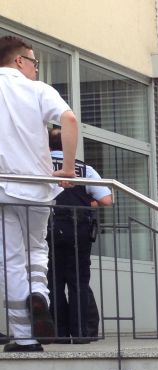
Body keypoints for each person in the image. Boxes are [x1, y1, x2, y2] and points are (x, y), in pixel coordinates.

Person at [0, 35, 78, 353]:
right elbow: (69, 119)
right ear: (20, 60)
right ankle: (40, 296)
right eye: (35, 62)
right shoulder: (39, 91)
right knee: (36, 250)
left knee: (11, 259)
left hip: (3, 188)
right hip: (39, 188)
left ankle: (24, 336)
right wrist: (68, 168)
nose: (36, 69)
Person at [47, 126, 112, 343]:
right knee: (78, 283)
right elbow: (106, 200)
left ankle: (58, 333)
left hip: (47, 229)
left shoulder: (39, 165)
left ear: (47, 146)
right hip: (79, 231)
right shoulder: (84, 168)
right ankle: (81, 333)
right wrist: (87, 202)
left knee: (52, 282)